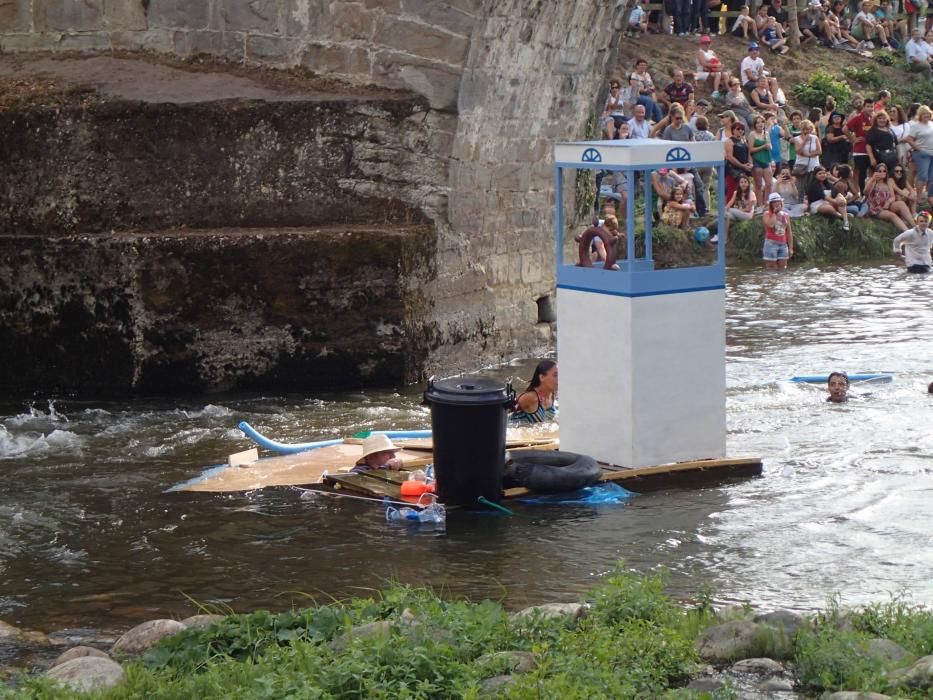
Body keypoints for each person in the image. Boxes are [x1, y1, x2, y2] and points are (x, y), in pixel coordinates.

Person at [863, 163, 911, 231]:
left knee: (901, 204)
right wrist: (872, 179)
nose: (882, 173)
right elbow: (865, 193)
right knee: (892, 216)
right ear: (876, 172)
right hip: (875, 208)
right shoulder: (872, 181)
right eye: (880, 171)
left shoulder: (888, 181)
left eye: (884, 171)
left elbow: (893, 197)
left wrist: (888, 201)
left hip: (886, 206)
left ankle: (916, 227)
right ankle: (908, 232)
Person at [511, 360, 558, 424]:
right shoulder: (531, 398)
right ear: (542, 377)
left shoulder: (552, 393)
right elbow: (506, 407)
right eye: (555, 375)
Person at [906, 105, 933, 206]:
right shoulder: (916, 126)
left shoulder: (932, 124)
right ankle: (918, 197)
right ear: (920, 115)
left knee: (932, 177)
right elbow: (909, 139)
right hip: (922, 154)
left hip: (932, 154)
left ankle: (930, 197)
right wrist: (918, 148)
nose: (926, 115)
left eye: (928, 113)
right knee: (923, 176)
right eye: (924, 114)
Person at [763, 191, 794, 269]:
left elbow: (789, 232)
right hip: (770, 244)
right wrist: (774, 213)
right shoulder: (767, 214)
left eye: (778, 201)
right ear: (770, 204)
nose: (777, 203)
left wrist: (790, 248)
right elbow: (771, 225)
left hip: (783, 245)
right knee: (771, 269)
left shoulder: (786, 215)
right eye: (774, 202)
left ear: (781, 202)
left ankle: (781, 281)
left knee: (783, 268)